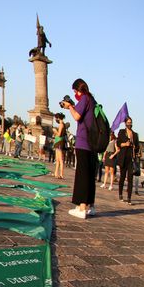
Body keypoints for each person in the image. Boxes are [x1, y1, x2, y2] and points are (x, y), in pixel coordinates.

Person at [60, 78, 97, 218]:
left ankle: (81, 208)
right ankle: (90, 206)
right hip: (92, 143)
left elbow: (77, 116)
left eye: (75, 91)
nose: (75, 93)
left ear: (78, 90)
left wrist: (69, 106)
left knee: (81, 175)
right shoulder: (92, 100)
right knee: (89, 176)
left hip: (83, 142)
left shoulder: (84, 99)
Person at [115, 117, 139, 205]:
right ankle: (120, 194)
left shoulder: (135, 134)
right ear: (125, 123)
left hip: (131, 159)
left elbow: (137, 148)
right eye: (128, 122)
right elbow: (118, 143)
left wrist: (135, 148)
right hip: (123, 158)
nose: (130, 124)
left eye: (131, 122)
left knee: (130, 179)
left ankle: (129, 197)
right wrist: (125, 144)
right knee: (122, 177)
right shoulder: (121, 132)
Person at [53, 113, 67, 179]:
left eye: (56, 118)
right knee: (57, 159)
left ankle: (61, 174)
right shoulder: (61, 124)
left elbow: (59, 134)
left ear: (58, 118)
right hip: (58, 142)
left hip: (59, 142)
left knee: (60, 159)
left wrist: (55, 131)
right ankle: (56, 173)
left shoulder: (61, 124)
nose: (55, 119)